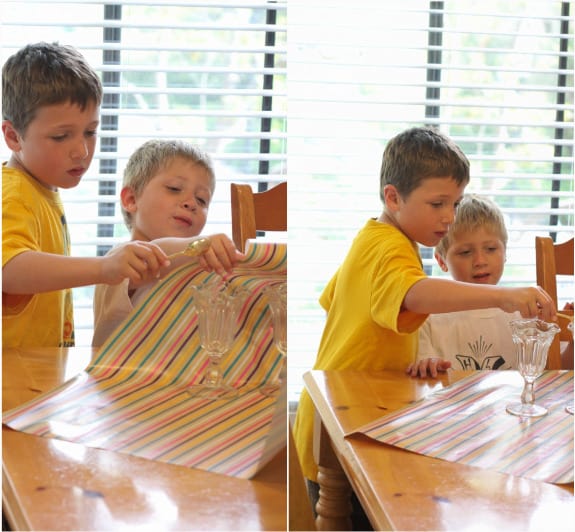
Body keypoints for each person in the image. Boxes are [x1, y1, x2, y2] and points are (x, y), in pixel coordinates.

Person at [291, 126, 556, 529]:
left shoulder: (374, 237)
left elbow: (335, 299)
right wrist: (502, 297)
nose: (449, 217)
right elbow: (413, 295)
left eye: (455, 203)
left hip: (357, 406)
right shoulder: (390, 247)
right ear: (393, 198)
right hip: (343, 422)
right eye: (437, 204)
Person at [2, 42, 169, 349]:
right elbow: (8, 270)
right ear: (13, 137)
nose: (82, 151)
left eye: (90, 132)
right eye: (61, 136)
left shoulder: (40, 189)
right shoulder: (13, 194)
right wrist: (104, 268)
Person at [92, 139, 244, 347]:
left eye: (201, 200)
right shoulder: (119, 260)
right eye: (174, 188)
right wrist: (200, 246)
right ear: (131, 200)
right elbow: (155, 256)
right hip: (119, 377)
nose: (191, 203)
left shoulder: (198, 271)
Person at [407, 194, 522, 379]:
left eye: (491, 249)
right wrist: (428, 365)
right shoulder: (426, 318)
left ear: (505, 251)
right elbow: (421, 371)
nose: (480, 261)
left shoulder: (523, 315)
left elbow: (552, 372)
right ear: (441, 260)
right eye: (465, 252)